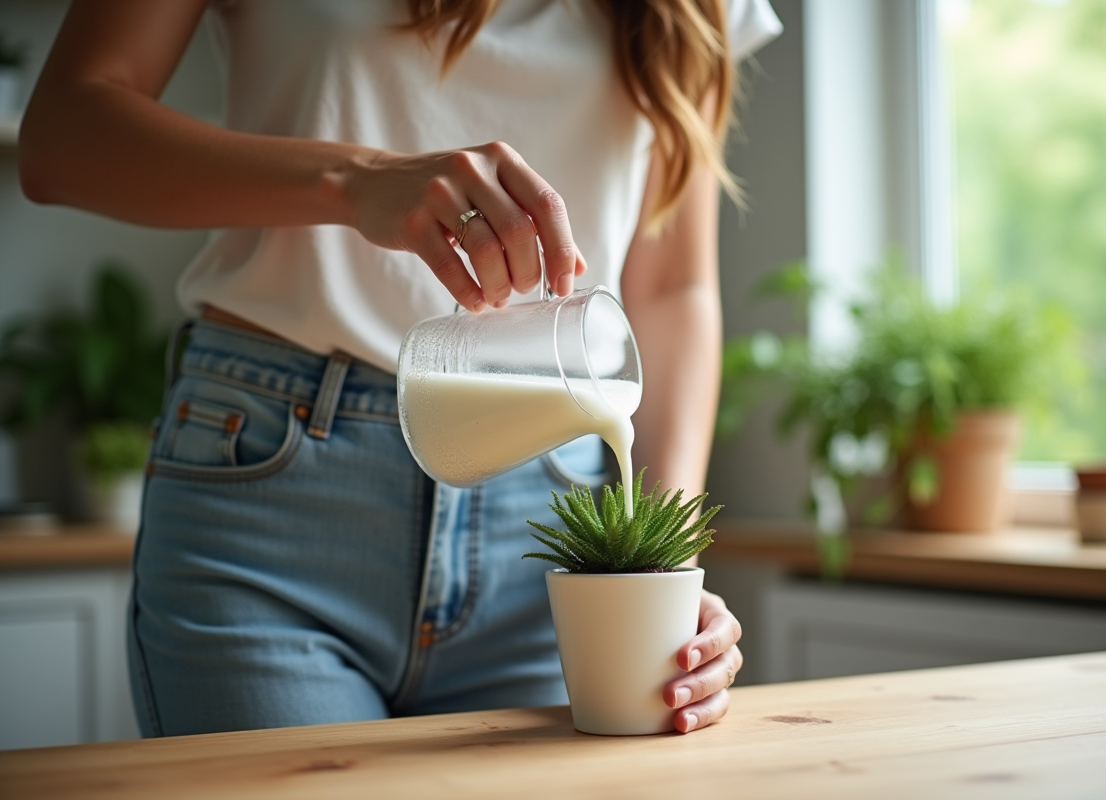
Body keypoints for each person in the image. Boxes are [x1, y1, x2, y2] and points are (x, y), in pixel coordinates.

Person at [19, 0, 781, 737]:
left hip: (552, 528)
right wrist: (355, 178)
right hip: (275, 498)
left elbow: (672, 288)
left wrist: (666, 569)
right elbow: (60, 135)